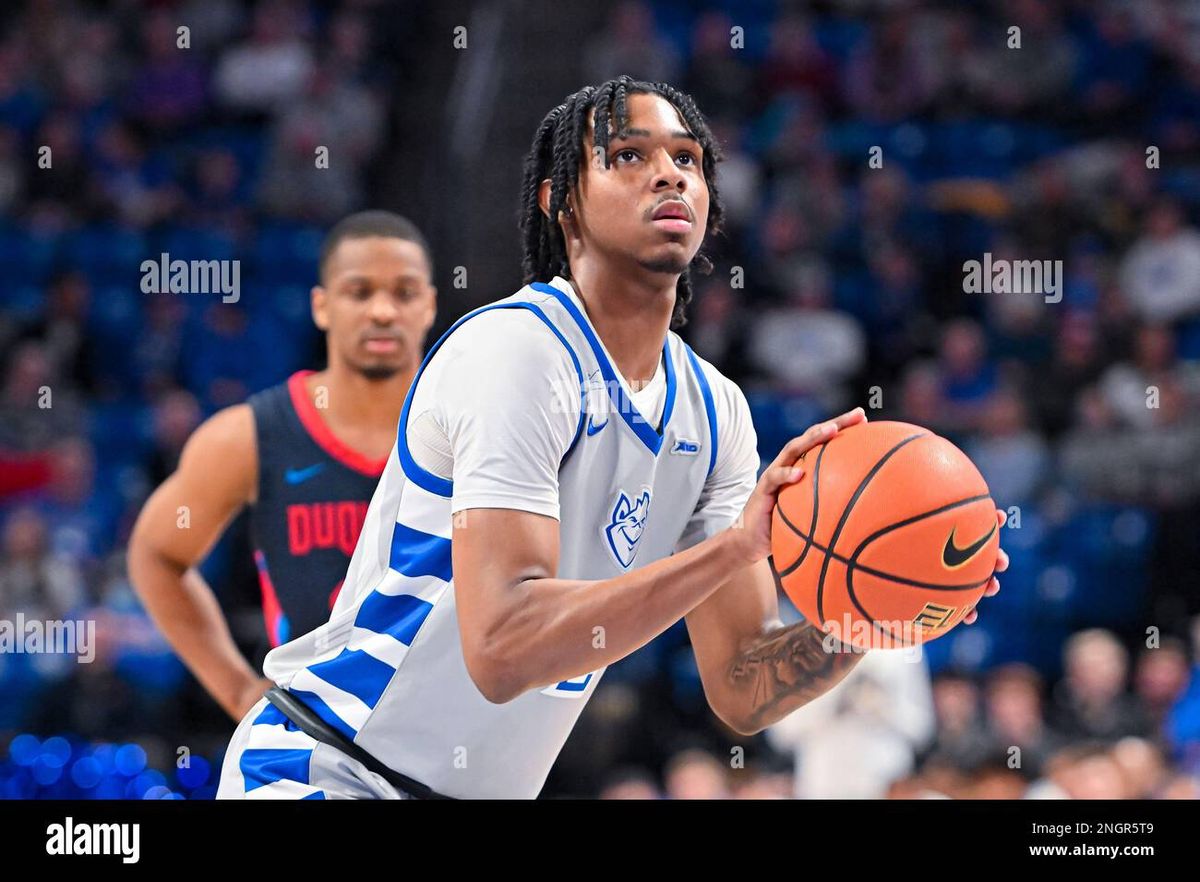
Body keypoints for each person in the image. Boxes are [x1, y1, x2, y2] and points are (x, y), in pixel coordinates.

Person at [216, 77, 1007, 800]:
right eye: (628, 156)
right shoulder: (517, 352)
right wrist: (735, 547)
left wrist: (871, 614)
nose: (669, 175)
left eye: (688, 161)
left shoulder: (715, 412)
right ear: (563, 201)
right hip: (328, 769)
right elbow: (503, 649)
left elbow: (740, 687)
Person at [128, 211, 436, 721]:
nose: (383, 311)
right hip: (311, 734)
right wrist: (236, 690)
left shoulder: (474, 421)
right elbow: (155, 553)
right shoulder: (251, 434)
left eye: (404, 293)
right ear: (321, 306)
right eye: (359, 292)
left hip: (447, 728)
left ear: (428, 305)